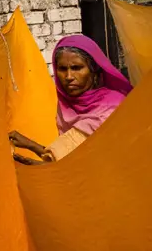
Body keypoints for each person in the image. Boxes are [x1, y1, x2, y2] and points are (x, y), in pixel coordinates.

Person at [11, 35, 132, 164]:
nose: (69, 76)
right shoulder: (66, 106)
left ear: (94, 71)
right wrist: (31, 145)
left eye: (76, 68)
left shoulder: (113, 107)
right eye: (62, 69)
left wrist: (42, 166)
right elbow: (69, 157)